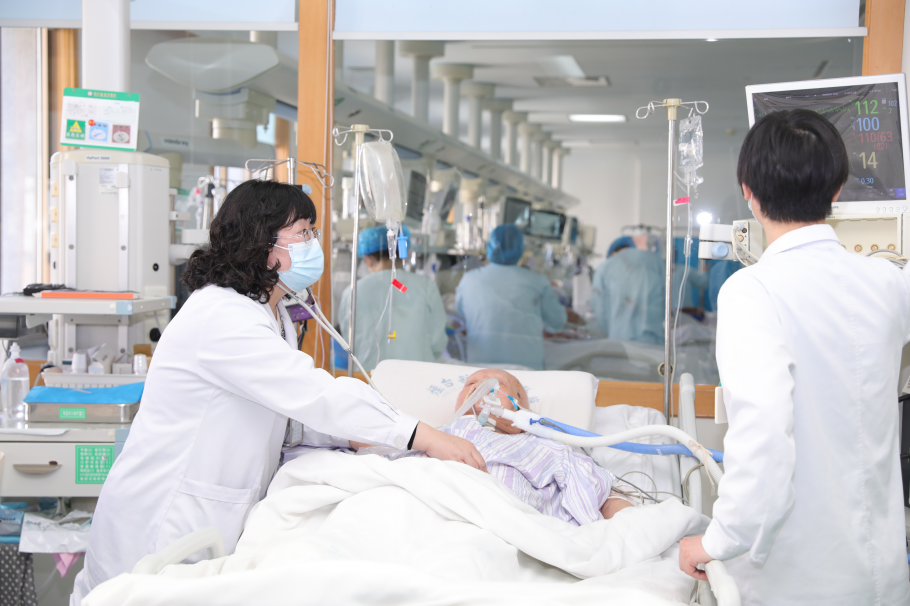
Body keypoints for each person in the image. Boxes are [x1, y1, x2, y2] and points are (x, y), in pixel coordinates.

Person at [71, 181, 486, 604]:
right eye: (302, 233)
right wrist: (420, 434)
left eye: (311, 232)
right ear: (261, 244)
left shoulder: (272, 314)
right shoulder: (221, 316)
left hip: (212, 518)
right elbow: (313, 393)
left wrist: (353, 436)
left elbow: (283, 417)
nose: (313, 244)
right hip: (161, 520)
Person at [678, 109, 910, 605]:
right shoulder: (890, 283)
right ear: (838, 189)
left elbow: (763, 438)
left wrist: (717, 541)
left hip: (796, 580)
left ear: (747, 189)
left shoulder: (752, 291)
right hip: (882, 577)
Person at [353, 368, 636, 524]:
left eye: (495, 383)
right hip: (421, 513)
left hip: (501, 523)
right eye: (470, 384)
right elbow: (365, 443)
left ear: (520, 405)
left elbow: (598, 495)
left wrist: (626, 528)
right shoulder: (431, 433)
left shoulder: (544, 446)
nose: (477, 387)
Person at [455, 224, 568, 370]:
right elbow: (557, 322)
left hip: (481, 368)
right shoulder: (537, 282)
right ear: (520, 249)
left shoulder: (469, 280)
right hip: (526, 369)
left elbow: (461, 314)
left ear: (490, 247)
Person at [338, 225, 447, 371]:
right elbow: (438, 342)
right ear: (404, 254)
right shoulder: (426, 286)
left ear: (368, 259)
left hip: (369, 377)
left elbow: (348, 341)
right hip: (418, 375)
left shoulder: (352, 292)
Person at [591, 236, 665, 344]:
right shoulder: (656, 262)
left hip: (619, 339)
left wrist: (609, 330)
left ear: (612, 253)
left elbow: (598, 307)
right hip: (653, 340)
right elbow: (668, 301)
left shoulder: (605, 267)